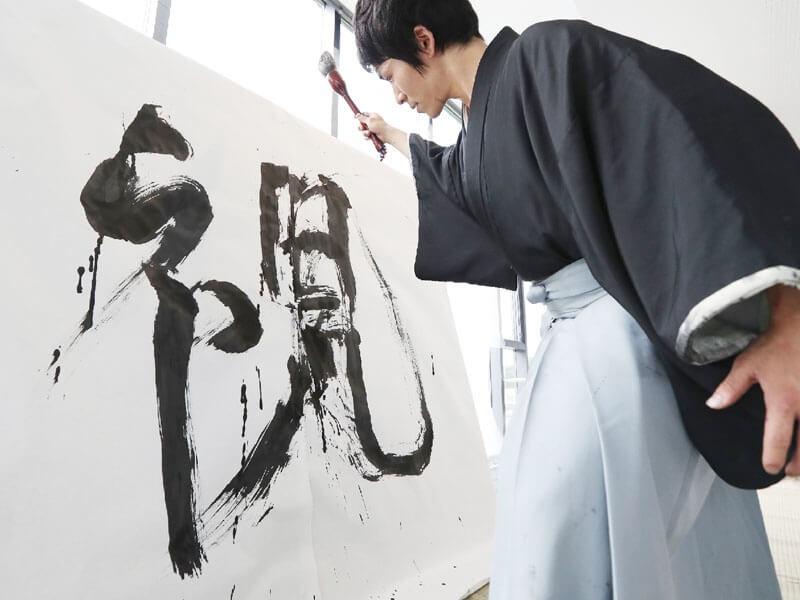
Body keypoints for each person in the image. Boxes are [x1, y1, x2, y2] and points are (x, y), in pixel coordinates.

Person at [353, 0, 800, 597]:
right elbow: (456, 175)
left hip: (619, 346)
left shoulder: (545, 54)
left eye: (389, 76)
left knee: (557, 524)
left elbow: (687, 134)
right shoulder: (481, 127)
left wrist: (784, 312)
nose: (396, 94)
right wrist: (392, 137)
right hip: (579, 347)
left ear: (424, 40)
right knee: (614, 535)